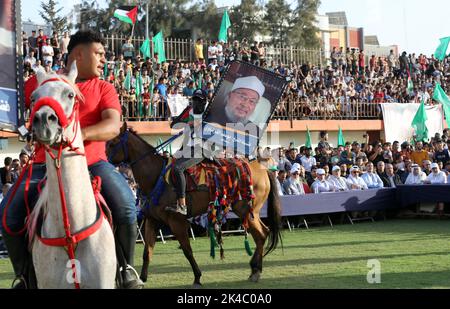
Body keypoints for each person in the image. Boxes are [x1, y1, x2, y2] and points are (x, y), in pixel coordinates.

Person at [0, 30, 143, 289]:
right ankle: (24, 275)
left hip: (94, 163)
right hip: (43, 164)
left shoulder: (104, 88)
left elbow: (112, 126)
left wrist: (76, 136)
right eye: (99, 53)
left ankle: (126, 269)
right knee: (8, 214)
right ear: (78, 54)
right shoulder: (39, 83)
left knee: (125, 206)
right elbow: (22, 114)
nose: (104, 59)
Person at [170, 90, 208, 216]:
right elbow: (174, 125)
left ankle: (183, 206)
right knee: (169, 165)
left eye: (198, 100)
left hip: (201, 148)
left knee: (178, 168)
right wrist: (185, 119)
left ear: (204, 101)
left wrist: (195, 124)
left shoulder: (209, 113)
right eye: (194, 99)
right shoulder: (189, 111)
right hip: (187, 147)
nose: (195, 102)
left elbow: (213, 129)